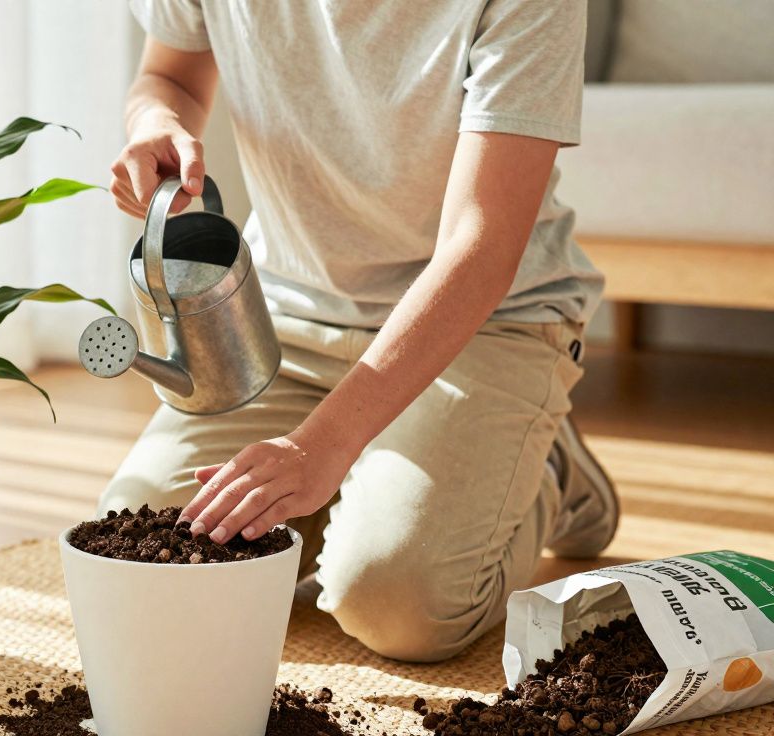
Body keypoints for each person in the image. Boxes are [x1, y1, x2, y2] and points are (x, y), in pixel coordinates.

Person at [101, 0, 618, 662]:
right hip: (285, 321)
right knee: (140, 557)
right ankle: (377, 479)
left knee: (394, 604)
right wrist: (157, 124)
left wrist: (320, 448)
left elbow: (479, 243)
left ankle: (546, 466)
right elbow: (168, 77)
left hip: (484, 324)